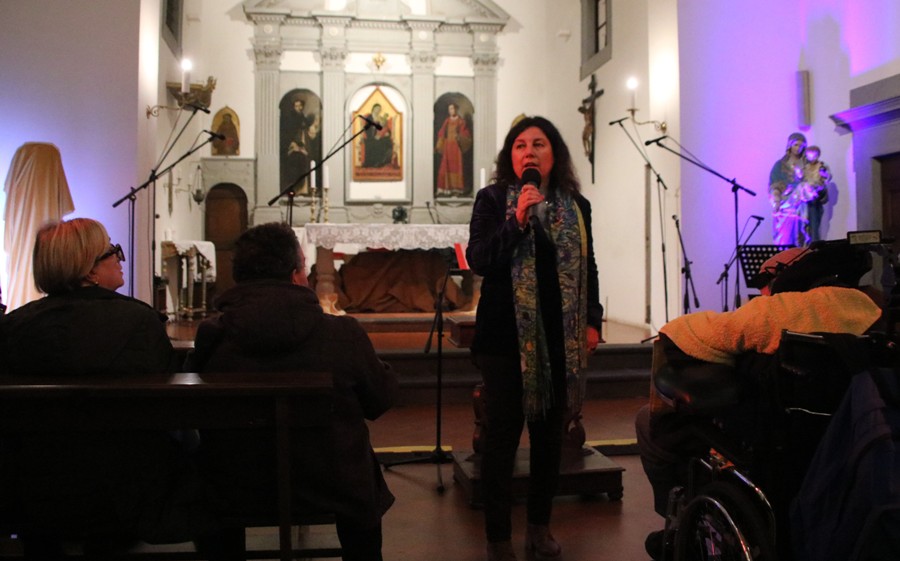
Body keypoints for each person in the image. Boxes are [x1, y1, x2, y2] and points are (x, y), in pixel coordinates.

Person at [635, 245, 883, 559]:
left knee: (648, 421)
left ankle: (679, 525)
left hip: (776, 442)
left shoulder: (779, 311)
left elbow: (686, 333)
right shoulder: (878, 310)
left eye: (768, 278)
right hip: (858, 439)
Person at [184, 222, 398, 561]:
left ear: (239, 275)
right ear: (296, 274)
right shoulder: (342, 333)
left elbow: (196, 412)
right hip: (335, 485)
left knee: (210, 477)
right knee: (357, 465)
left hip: (237, 485)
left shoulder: (214, 335)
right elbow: (379, 401)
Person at [0, 218, 209, 558]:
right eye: (112, 251)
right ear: (89, 270)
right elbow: (169, 405)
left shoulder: (14, 328)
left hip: (34, 487)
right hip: (130, 488)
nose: (120, 259)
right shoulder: (140, 322)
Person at [466, 116, 604, 561]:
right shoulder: (491, 200)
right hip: (505, 339)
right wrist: (517, 221)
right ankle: (498, 538)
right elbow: (480, 259)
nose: (529, 151)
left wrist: (592, 320)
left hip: (560, 337)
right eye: (520, 145)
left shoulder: (576, 207)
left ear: (554, 154)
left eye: (539, 144)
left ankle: (539, 529)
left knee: (549, 442)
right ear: (511, 156)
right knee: (501, 441)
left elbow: (590, 268)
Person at [768, 132, 819, 246]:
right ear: (790, 145)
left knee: (801, 238)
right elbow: (774, 185)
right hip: (784, 205)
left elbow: (815, 181)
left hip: (802, 207)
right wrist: (776, 200)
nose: (798, 148)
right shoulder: (780, 165)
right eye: (796, 145)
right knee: (784, 240)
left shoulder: (807, 165)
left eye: (801, 146)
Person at [435, 102, 472, 197]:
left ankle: (457, 189)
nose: (451, 111)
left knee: (457, 167)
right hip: (448, 146)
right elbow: (441, 132)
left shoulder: (461, 121)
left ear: (456, 109)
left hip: (456, 147)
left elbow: (466, 134)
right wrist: (439, 144)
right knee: (445, 166)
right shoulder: (447, 121)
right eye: (449, 109)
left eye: (452, 108)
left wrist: (459, 137)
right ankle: (446, 189)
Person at [802, 145, 832, 243]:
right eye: (809, 155)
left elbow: (827, 177)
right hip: (806, 195)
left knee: (814, 220)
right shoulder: (805, 167)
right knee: (805, 221)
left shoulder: (821, 166)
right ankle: (806, 240)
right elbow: (802, 179)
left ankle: (814, 241)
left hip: (817, 193)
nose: (811, 158)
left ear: (818, 155)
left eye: (814, 155)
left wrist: (824, 175)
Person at [361, 103, 394, 168]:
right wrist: (375, 135)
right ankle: (374, 163)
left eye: (379, 109)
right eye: (377, 109)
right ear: (373, 109)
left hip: (379, 136)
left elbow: (385, 127)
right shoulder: (369, 117)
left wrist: (386, 133)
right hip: (369, 136)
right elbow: (367, 128)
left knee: (387, 141)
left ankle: (382, 161)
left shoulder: (380, 118)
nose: (378, 110)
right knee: (377, 143)